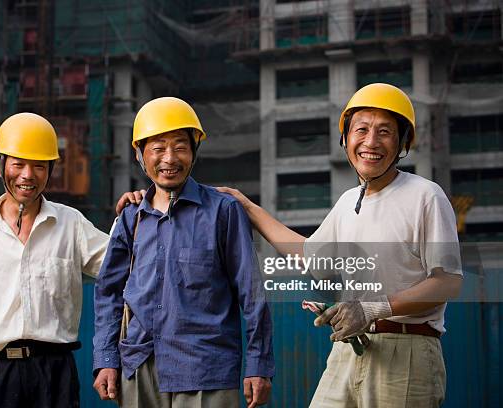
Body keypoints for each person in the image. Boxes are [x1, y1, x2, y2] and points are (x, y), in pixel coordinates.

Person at [118, 84, 463, 407]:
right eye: (361, 130)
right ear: (345, 138)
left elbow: (448, 280)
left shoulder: (425, 196)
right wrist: (249, 208)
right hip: (351, 347)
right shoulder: (348, 202)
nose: (370, 141)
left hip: (407, 349)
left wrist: (374, 308)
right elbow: (310, 256)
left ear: (403, 141)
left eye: (384, 131)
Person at [93, 97, 275, 408]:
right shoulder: (131, 217)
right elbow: (108, 292)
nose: (169, 158)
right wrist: (106, 358)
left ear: (193, 153)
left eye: (180, 146)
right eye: (158, 148)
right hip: (140, 368)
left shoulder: (223, 211)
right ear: (140, 155)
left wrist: (259, 364)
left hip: (206, 371)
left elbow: (251, 293)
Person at [0, 112, 109, 408]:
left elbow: (122, 263)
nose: (27, 175)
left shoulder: (70, 224)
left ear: (50, 170)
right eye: (18, 164)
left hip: (55, 373)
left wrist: (142, 207)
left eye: (39, 166)